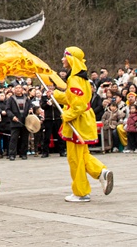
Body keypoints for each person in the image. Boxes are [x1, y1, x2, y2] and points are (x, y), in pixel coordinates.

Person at [47, 46, 113, 203]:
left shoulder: (75, 79)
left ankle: (81, 192)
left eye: (64, 57)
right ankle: (101, 172)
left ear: (70, 59)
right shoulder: (80, 78)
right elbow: (72, 99)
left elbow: (78, 105)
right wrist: (55, 94)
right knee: (82, 155)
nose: (62, 59)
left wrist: (67, 115)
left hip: (77, 121)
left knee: (75, 158)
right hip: (80, 120)